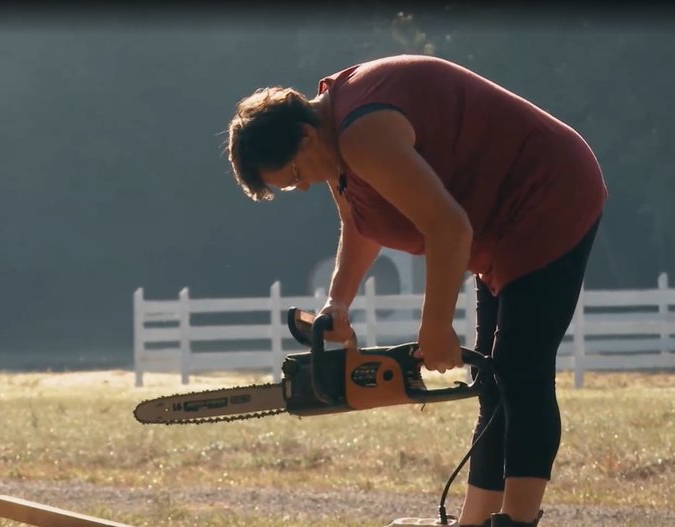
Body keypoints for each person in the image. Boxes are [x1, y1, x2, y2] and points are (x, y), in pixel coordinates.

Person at [226, 54, 607, 527]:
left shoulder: (362, 136)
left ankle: (518, 520)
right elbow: (359, 222)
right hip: (499, 222)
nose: (303, 189)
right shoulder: (336, 139)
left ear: (304, 135)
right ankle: (476, 521)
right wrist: (338, 302)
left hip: (549, 191)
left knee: (520, 369)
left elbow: (449, 228)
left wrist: (435, 325)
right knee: (493, 378)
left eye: (297, 176)